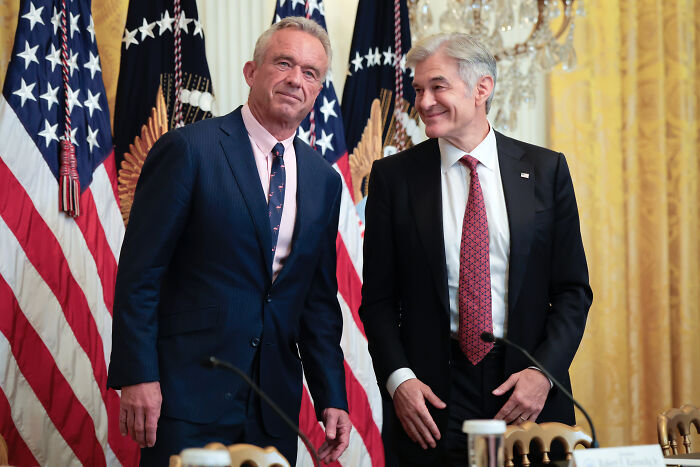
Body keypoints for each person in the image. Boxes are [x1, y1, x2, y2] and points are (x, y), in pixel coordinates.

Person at [107, 17, 351, 466]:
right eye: (284, 63)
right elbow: (141, 274)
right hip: (186, 397)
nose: (296, 79)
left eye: (311, 72)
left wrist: (332, 396)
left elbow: (315, 301)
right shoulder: (189, 150)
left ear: (318, 90)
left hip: (272, 406)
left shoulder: (324, 180)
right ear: (250, 72)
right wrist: (137, 375)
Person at [359, 32, 593, 466]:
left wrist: (543, 374)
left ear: (481, 88)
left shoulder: (546, 170)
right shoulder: (394, 178)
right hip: (429, 400)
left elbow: (572, 292)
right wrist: (399, 381)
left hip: (528, 393)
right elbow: (376, 300)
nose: (423, 101)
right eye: (418, 90)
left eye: (437, 87)